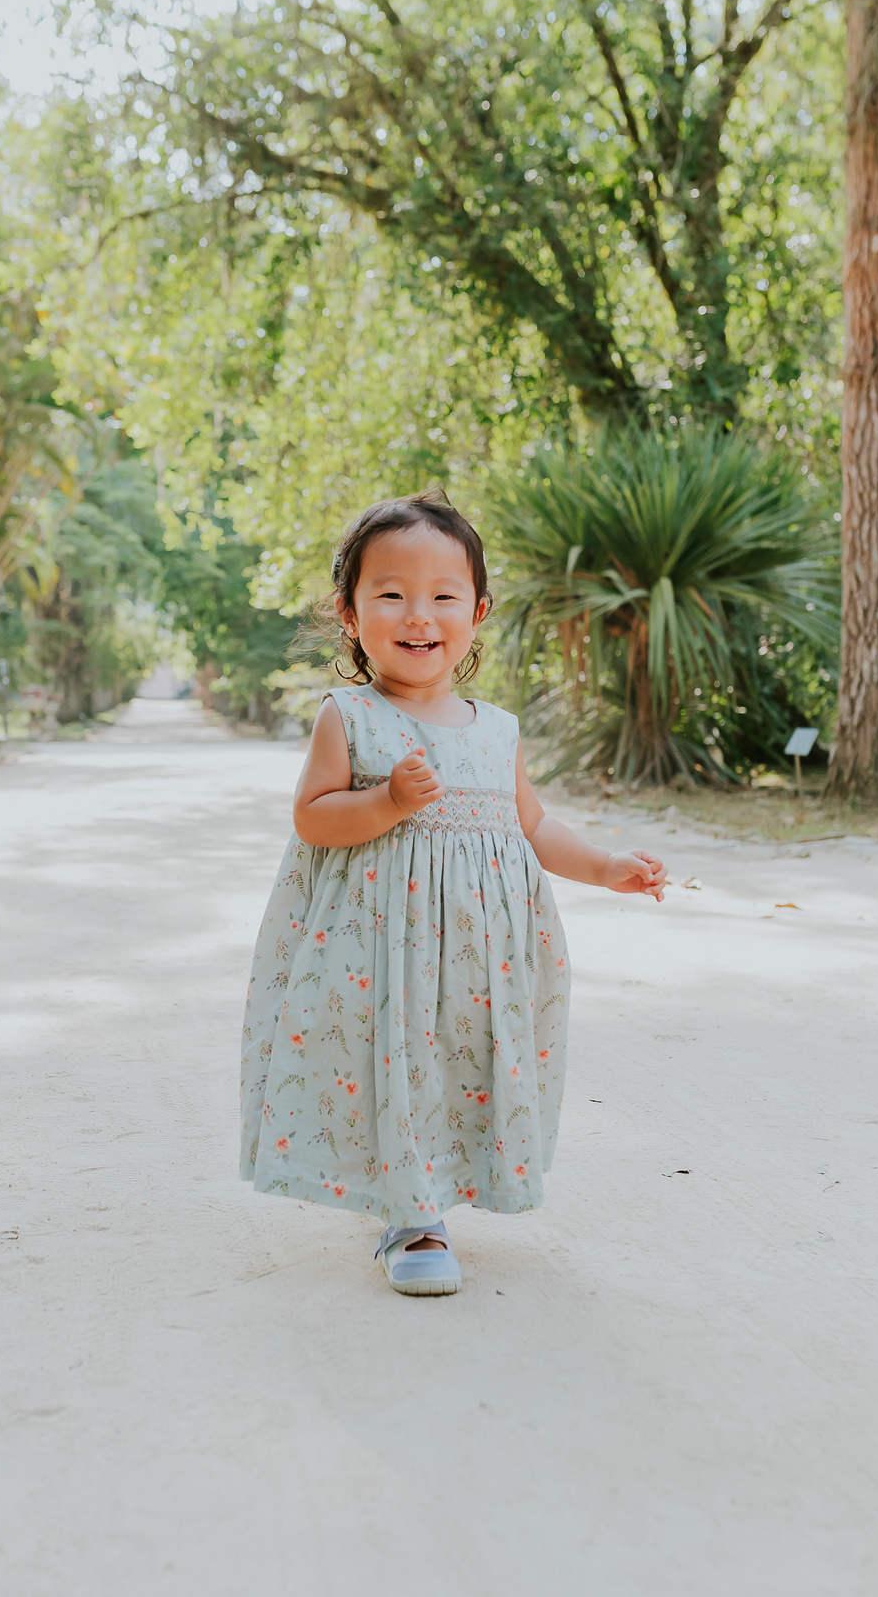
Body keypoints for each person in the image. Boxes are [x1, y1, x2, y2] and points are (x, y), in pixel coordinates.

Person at [240, 488, 667, 1295]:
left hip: (479, 959)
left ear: (477, 611)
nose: (418, 615)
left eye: (442, 596)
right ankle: (412, 1215)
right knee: (398, 1065)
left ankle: (446, 1185)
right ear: (349, 610)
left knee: (460, 1068)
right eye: (392, 594)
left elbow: (532, 827)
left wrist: (607, 866)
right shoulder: (350, 716)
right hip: (382, 949)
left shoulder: (495, 728)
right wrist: (388, 802)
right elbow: (314, 819)